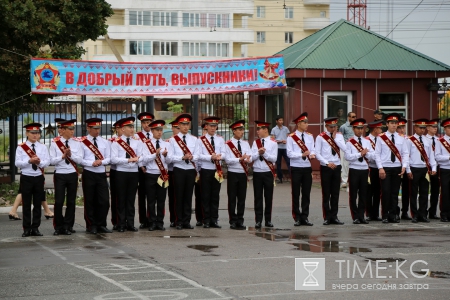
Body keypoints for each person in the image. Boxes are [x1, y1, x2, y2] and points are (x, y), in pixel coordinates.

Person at [111, 117, 145, 232]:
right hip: (121, 172)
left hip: (133, 173)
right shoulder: (116, 142)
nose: (132, 129)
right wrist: (128, 160)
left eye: (132, 127)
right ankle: (120, 224)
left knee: (131, 199)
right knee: (121, 199)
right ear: (123, 129)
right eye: (129, 127)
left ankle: (130, 223)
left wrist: (140, 161)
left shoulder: (137, 142)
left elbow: (140, 157)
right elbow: (114, 159)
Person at [15, 123, 50, 237]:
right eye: (32, 133)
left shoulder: (43, 147)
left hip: (38, 177)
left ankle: (35, 227)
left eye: (37, 133)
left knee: (37, 203)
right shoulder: (21, 147)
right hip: (26, 177)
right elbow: (17, 163)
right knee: (26, 203)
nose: (35, 135)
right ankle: (26, 228)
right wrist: (29, 161)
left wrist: (39, 162)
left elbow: (47, 162)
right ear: (27, 133)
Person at [49, 119, 83, 235]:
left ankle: (68, 225)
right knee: (59, 201)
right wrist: (62, 157)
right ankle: (58, 226)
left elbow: (80, 159)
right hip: (60, 174)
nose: (72, 131)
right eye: (70, 129)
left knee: (71, 201)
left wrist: (71, 155)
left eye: (73, 129)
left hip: (72, 173)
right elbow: (51, 161)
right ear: (62, 130)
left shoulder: (77, 142)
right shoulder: (55, 143)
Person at [374, 113, 409, 223]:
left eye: (395, 123)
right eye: (392, 123)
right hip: (386, 168)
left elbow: (405, 153)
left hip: (397, 167)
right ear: (387, 124)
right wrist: (380, 168)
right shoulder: (381, 138)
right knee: (385, 192)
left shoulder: (401, 138)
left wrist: (404, 166)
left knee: (394, 192)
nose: (394, 125)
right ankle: (385, 215)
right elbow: (377, 154)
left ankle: (393, 215)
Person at [80, 118, 111, 234]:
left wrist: (101, 162)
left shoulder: (104, 142)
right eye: (95, 129)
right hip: (89, 173)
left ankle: (101, 224)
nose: (97, 131)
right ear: (88, 128)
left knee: (104, 201)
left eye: (98, 128)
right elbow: (80, 159)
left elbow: (109, 157)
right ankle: (91, 225)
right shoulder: (83, 142)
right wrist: (91, 163)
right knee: (90, 200)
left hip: (101, 173)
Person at [168, 114, 198, 230]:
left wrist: (192, 157)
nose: (185, 127)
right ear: (179, 125)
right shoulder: (173, 140)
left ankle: (187, 221)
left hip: (190, 169)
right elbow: (169, 158)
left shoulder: (194, 139)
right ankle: (178, 221)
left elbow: (197, 155)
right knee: (178, 196)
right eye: (183, 124)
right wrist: (182, 157)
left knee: (188, 196)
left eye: (187, 124)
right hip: (179, 169)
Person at [315, 117, 347, 225]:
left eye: (334, 127)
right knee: (326, 193)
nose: (333, 128)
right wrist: (327, 163)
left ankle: (334, 216)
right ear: (326, 126)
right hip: (326, 166)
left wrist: (335, 138)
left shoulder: (339, 136)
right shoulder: (320, 137)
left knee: (335, 193)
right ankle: (327, 217)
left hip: (337, 166)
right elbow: (317, 153)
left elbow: (345, 148)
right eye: (331, 127)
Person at [286, 112, 315, 227]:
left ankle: (305, 216)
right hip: (296, 168)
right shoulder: (291, 137)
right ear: (298, 123)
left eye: (307, 122)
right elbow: (289, 153)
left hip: (307, 167)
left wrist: (312, 154)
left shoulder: (309, 136)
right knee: (296, 193)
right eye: (304, 122)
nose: (307, 124)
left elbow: (312, 149)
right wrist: (301, 154)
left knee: (306, 193)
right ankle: (297, 217)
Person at [195, 117, 225, 228]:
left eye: (215, 126)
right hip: (206, 169)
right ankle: (206, 219)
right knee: (205, 195)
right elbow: (198, 155)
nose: (213, 128)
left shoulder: (220, 139)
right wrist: (210, 157)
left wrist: (219, 157)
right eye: (211, 126)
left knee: (215, 196)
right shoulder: (200, 140)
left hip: (217, 170)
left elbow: (224, 153)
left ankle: (214, 219)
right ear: (206, 126)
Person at [405, 119, 436, 223]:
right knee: (413, 193)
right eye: (420, 128)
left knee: (424, 192)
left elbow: (431, 155)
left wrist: (433, 168)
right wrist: (408, 170)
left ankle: (423, 214)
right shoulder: (410, 140)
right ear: (415, 127)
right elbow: (406, 156)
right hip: (414, 168)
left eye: (423, 128)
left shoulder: (428, 140)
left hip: (424, 169)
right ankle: (414, 214)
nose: (422, 130)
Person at [344, 118, 375, 224]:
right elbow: (347, 157)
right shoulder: (349, 142)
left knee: (363, 194)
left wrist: (367, 154)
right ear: (353, 129)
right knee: (353, 194)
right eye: (358, 128)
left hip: (364, 169)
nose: (360, 130)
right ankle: (355, 216)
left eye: (361, 128)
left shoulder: (367, 141)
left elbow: (372, 155)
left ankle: (362, 215)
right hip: (354, 169)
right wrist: (360, 154)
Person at [141, 120, 169, 231]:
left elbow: (170, 160)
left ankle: (160, 222)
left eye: (161, 130)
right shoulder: (146, 144)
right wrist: (155, 154)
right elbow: (144, 159)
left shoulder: (166, 144)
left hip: (162, 174)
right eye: (157, 130)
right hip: (151, 174)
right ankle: (152, 222)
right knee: (151, 200)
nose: (159, 132)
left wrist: (166, 156)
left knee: (161, 200)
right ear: (152, 130)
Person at [224, 120, 252, 230]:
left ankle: (240, 220)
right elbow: (227, 160)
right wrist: (239, 159)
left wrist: (248, 159)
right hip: (233, 173)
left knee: (242, 198)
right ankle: (232, 220)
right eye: (240, 130)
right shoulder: (228, 144)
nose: (242, 132)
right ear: (234, 131)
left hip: (242, 173)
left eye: (242, 130)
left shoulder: (245, 143)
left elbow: (250, 156)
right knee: (232, 198)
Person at [251, 121, 277, 228]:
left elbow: (274, 158)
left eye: (259, 129)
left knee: (268, 197)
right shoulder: (255, 142)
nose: (257, 131)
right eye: (257, 129)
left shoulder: (273, 142)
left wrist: (264, 153)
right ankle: (258, 220)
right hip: (257, 172)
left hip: (267, 172)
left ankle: (268, 220)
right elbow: (251, 157)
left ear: (266, 130)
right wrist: (258, 153)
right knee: (258, 197)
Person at [135, 112, 154, 229]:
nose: (147, 125)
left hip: (153, 168)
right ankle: (143, 220)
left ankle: (152, 218)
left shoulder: (156, 135)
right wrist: (141, 165)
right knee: (142, 195)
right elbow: (136, 153)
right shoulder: (137, 137)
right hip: (141, 169)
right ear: (141, 124)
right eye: (144, 123)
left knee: (153, 196)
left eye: (148, 122)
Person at [365, 120, 383, 221]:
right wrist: (378, 156)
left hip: (379, 168)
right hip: (370, 168)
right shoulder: (367, 140)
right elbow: (369, 156)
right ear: (375, 129)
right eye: (380, 128)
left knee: (377, 191)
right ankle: (368, 213)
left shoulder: (381, 139)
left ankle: (375, 214)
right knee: (369, 192)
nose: (381, 130)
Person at [434, 118, 450, 222]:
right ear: (444, 129)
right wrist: (448, 157)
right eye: (448, 128)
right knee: (445, 192)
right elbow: (437, 157)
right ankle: (444, 214)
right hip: (445, 169)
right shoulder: (440, 141)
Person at [425, 118, 440, 219]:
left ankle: (433, 212)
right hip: (426, 166)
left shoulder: (439, 140)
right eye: (433, 127)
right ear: (427, 128)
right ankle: (423, 211)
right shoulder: (424, 139)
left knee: (435, 190)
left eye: (436, 127)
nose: (435, 129)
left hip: (437, 166)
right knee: (424, 190)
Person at [109, 121, 123, 230]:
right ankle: (116, 220)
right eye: (120, 128)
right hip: (115, 170)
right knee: (116, 197)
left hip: (128, 170)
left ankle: (125, 220)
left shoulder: (133, 140)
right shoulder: (112, 141)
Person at [397, 118, 411, 220]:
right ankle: (395, 210)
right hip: (396, 167)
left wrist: (406, 167)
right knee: (394, 190)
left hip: (406, 168)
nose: (402, 130)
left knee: (406, 191)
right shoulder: (393, 139)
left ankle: (405, 211)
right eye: (399, 128)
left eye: (403, 127)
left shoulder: (409, 139)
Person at [339, 112, 357, 188]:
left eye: (355, 117)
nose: (354, 118)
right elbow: (340, 138)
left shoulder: (356, 126)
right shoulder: (343, 127)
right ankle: (344, 181)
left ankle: (353, 180)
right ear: (348, 117)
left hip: (355, 147)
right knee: (345, 165)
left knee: (354, 163)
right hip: (346, 148)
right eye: (352, 117)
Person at [270, 116, 290, 184]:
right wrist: (279, 141)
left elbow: (289, 137)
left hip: (285, 148)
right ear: (276, 121)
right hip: (277, 148)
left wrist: (286, 141)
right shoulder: (274, 129)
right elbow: (272, 139)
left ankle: (292, 177)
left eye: (282, 120)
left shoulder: (286, 128)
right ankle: (280, 178)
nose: (281, 121)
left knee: (288, 162)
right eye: (280, 120)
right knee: (278, 163)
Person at [167, 120, 179, 227]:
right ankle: (173, 218)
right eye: (176, 128)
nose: (177, 130)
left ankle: (181, 218)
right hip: (171, 171)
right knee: (172, 196)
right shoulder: (169, 141)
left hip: (180, 170)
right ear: (172, 128)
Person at [194, 124, 207, 226]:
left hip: (207, 171)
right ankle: (199, 218)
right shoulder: (199, 141)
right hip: (198, 171)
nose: (206, 132)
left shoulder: (217, 140)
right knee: (199, 196)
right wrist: (197, 172)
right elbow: (197, 158)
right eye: (205, 130)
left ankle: (208, 217)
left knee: (207, 196)